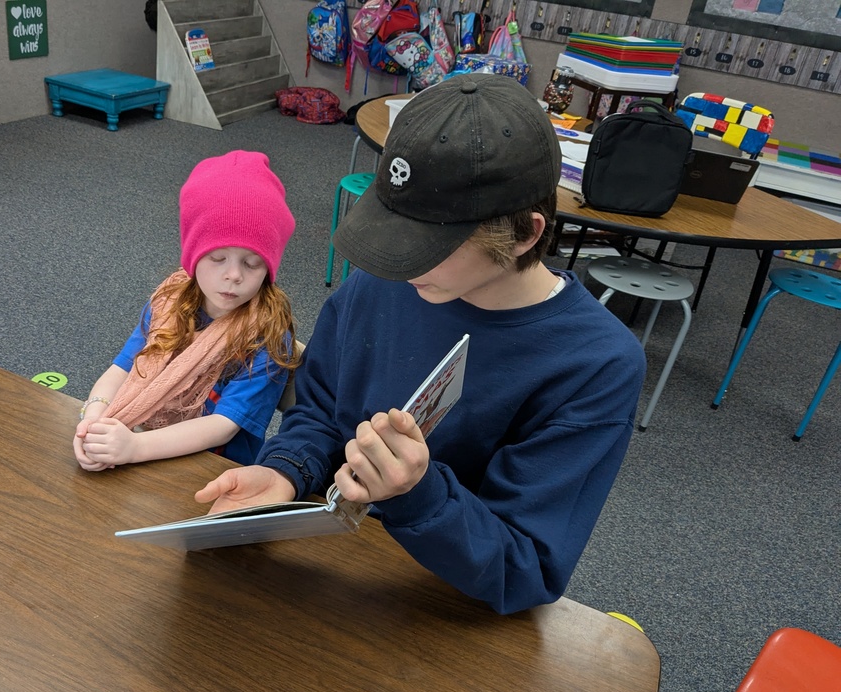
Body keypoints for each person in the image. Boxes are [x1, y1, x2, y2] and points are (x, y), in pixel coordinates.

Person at [196, 74, 647, 614]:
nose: (400, 261)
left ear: (525, 234)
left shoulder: (595, 364)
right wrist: (287, 470)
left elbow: (525, 569)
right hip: (333, 569)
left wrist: (417, 492)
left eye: (428, 244)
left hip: (448, 605)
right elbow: (319, 410)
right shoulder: (390, 278)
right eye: (394, 234)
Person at [74, 150, 300, 471]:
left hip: (210, 471)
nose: (233, 275)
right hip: (143, 449)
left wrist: (135, 447)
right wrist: (93, 420)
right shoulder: (170, 300)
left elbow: (223, 425)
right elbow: (123, 369)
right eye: (217, 258)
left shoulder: (269, 333)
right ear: (193, 255)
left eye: (252, 263)